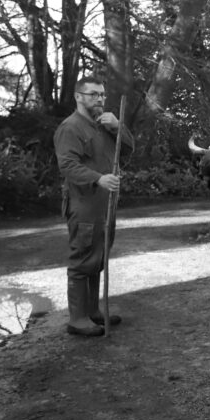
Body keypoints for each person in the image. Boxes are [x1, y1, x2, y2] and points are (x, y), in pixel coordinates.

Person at [53, 75, 134, 336]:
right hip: (84, 203)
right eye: (93, 94)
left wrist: (119, 126)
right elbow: (67, 165)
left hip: (106, 204)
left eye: (101, 94)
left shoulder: (104, 125)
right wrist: (98, 178)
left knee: (97, 257)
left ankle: (92, 311)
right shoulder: (71, 128)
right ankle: (77, 319)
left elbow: (128, 151)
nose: (99, 99)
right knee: (82, 258)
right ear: (78, 97)